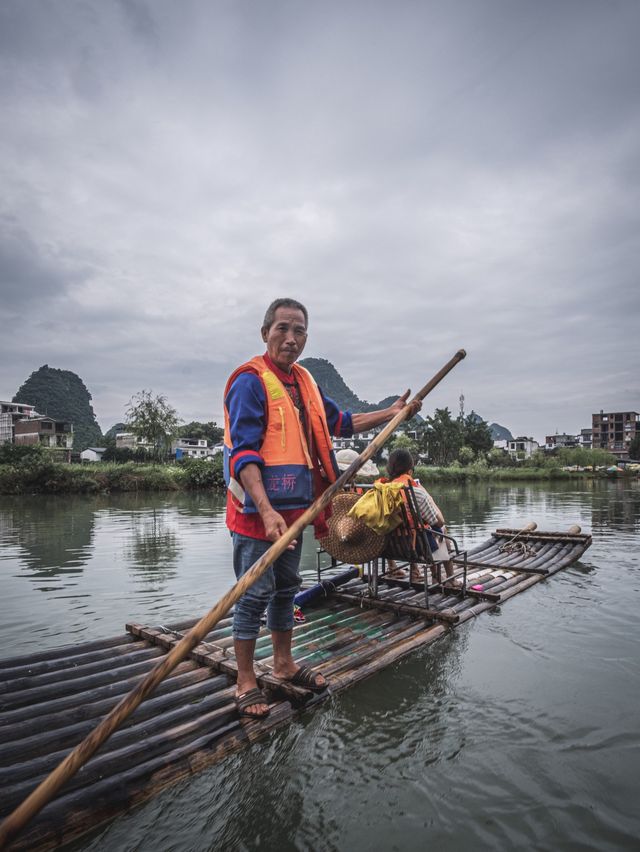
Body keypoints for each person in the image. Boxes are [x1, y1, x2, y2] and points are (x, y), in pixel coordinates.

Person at [224, 298, 421, 718]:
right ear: (265, 333)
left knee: (285, 590)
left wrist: (393, 412)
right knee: (252, 594)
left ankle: (283, 662)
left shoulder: (306, 382)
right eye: (282, 329)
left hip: (297, 513)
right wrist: (265, 509)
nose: (290, 339)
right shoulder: (250, 381)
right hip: (257, 514)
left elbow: (342, 422)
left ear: (306, 338)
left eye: (299, 331)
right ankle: (244, 680)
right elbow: (243, 455)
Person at [381, 448, 454, 582]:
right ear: (409, 471)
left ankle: (422, 573)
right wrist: (428, 496)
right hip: (417, 547)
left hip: (390, 546)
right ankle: (449, 579)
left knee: (427, 531)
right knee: (442, 532)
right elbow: (439, 521)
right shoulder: (416, 493)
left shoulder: (381, 492)